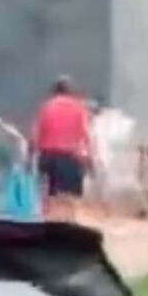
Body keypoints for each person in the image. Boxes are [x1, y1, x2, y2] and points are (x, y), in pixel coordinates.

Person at [32, 76, 93, 216]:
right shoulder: (79, 108)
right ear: (70, 91)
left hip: (47, 157)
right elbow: (86, 135)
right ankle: (68, 226)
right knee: (70, 199)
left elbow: (35, 134)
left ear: (54, 91)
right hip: (69, 158)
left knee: (47, 197)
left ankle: (47, 224)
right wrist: (90, 161)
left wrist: (30, 158)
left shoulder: (47, 106)